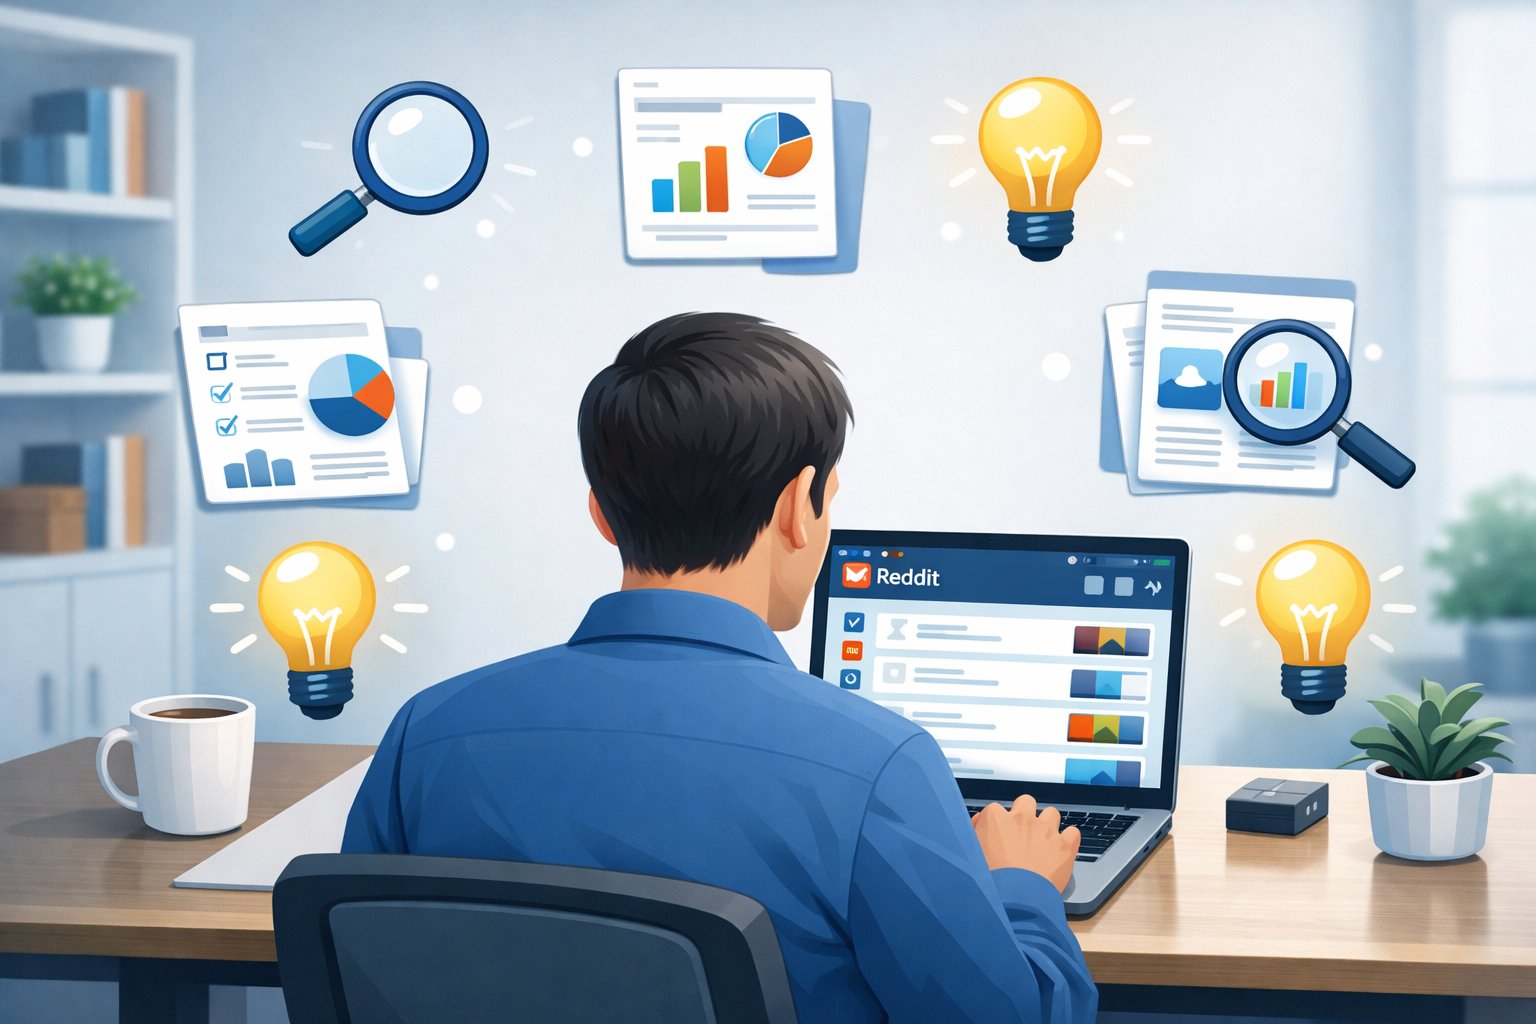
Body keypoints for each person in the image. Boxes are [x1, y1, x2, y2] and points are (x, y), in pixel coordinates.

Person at [343, 312, 1096, 1022]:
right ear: (800, 506)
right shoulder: (878, 765)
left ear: (601, 513)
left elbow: (365, 973)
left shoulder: (427, 733)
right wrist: (1023, 887)